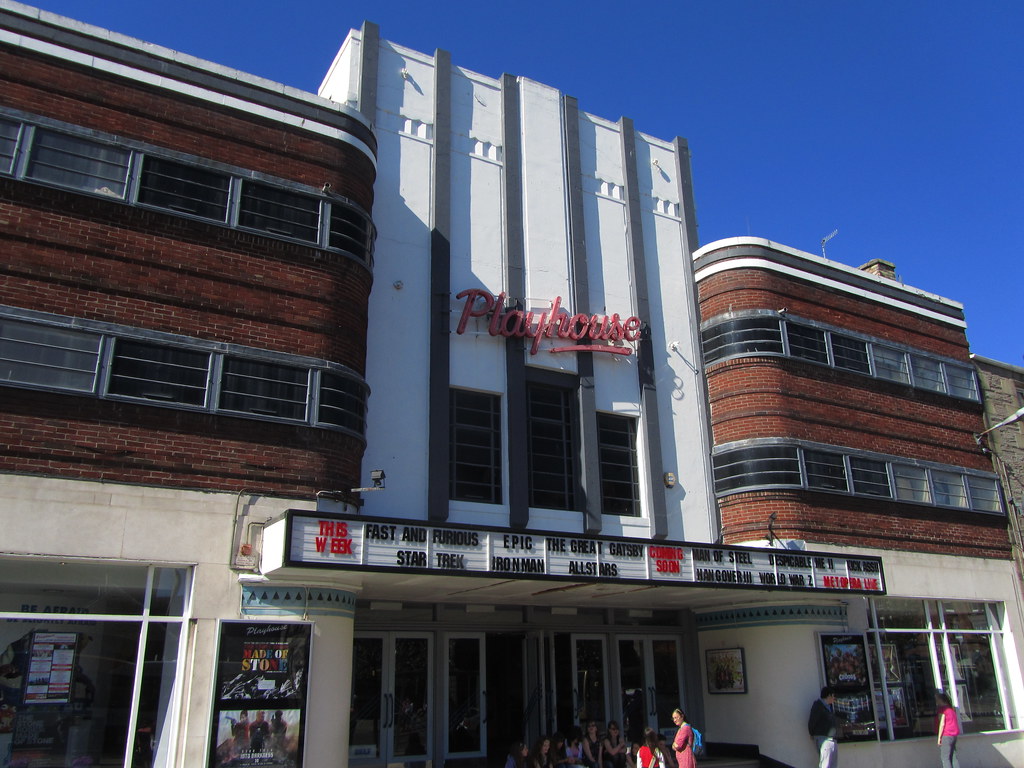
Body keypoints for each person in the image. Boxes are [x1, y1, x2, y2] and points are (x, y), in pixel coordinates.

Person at [807, 687, 838, 768]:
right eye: (833, 696)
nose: (834, 698)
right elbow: (813, 720)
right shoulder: (818, 706)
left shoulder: (829, 707)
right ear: (828, 696)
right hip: (823, 738)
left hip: (831, 739)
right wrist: (811, 733)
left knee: (833, 764)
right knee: (826, 764)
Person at [935, 691, 961, 768]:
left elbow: (942, 724)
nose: (936, 702)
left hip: (946, 735)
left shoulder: (943, 709)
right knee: (953, 757)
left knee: (945, 758)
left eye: (937, 700)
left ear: (940, 700)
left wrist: (939, 738)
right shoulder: (951, 709)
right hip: (954, 735)